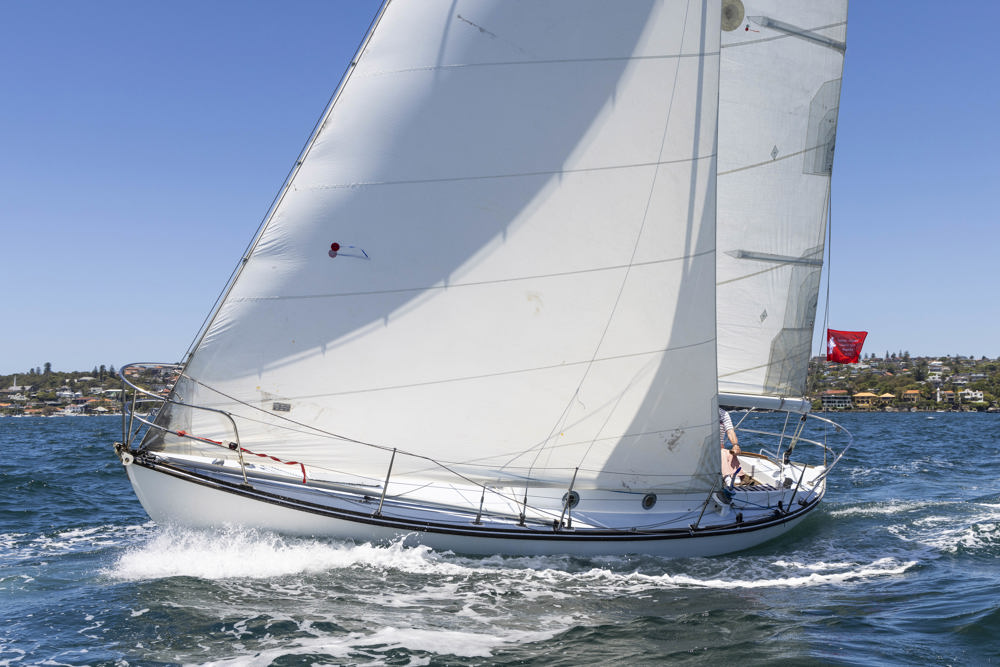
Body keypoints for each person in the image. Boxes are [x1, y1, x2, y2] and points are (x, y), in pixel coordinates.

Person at [719, 407, 743, 487]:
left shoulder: (723, 413)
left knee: (729, 453)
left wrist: (735, 445)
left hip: (719, 447)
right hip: (702, 447)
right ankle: (727, 477)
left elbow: (730, 431)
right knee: (722, 453)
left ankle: (734, 476)